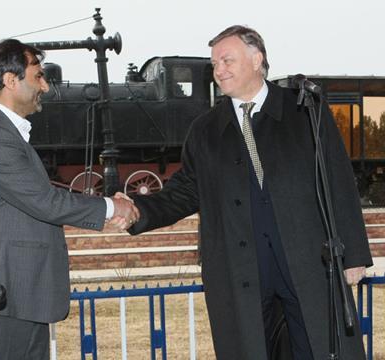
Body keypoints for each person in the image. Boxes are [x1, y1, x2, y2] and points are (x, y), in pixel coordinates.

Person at [127, 25, 372, 359]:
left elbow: (338, 179)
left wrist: (354, 255)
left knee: (318, 347)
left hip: (308, 263)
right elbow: (184, 191)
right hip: (240, 270)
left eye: (227, 60)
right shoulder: (205, 130)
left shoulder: (305, 110)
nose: (219, 70)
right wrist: (139, 211)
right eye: (215, 64)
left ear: (257, 60)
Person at [0, 39, 138, 360]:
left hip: (15, 295)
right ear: (10, 81)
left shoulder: (3, 133)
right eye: (38, 76)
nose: (46, 87)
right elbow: (43, 201)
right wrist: (111, 206)